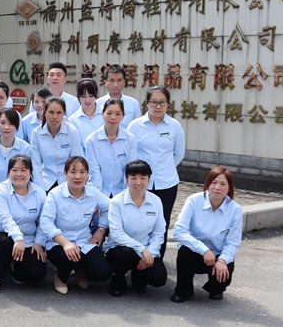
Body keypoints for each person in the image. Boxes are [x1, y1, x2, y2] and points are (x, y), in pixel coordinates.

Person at [40, 156, 111, 295]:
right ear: (65, 174)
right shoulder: (55, 194)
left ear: (87, 174)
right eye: (73, 172)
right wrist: (66, 243)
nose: (78, 176)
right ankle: (61, 278)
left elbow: (111, 208)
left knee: (103, 273)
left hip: (84, 241)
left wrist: (101, 230)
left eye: (82, 172)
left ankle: (81, 269)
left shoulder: (93, 193)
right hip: (59, 243)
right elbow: (45, 222)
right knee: (69, 255)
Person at [127, 85, 185, 256]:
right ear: (147, 103)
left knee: (162, 223)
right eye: (154, 102)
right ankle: (135, 257)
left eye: (162, 102)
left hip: (167, 184)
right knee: (137, 222)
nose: (158, 106)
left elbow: (179, 154)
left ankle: (156, 259)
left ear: (168, 104)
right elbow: (130, 154)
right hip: (140, 184)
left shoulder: (174, 126)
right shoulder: (135, 126)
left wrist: (164, 169)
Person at [171, 167, 242, 303]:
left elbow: (233, 242)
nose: (217, 187)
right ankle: (183, 290)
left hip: (217, 256)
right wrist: (204, 250)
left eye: (223, 184)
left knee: (222, 279)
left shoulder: (235, 209)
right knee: (185, 253)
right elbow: (179, 231)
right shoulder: (193, 200)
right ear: (208, 183)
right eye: (214, 182)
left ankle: (215, 288)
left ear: (229, 188)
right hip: (194, 251)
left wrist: (222, 261)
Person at [0, 154, 47, 295]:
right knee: (7, 243)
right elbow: (6, 220)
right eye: (14, 170)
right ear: (8, 172)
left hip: (28, 239)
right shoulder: (0, 191)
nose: (19, 174)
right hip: (1, 235)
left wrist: (39, 242)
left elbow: (44, 221)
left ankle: (14, 268)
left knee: (37, 273)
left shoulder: (40, 193)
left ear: (31, 173)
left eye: (23, 170)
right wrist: (18, 238)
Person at [104, 160, 167, 297]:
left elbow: (158, 232)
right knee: (122, 255)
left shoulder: (156, 201)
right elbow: (116, 233)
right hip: (121, 248)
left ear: (149, 179)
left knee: (159, 278)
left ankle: (139, 276)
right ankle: (118, 278)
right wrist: (142, 249)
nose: (138, 182)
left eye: (143, 178)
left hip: (146, 250)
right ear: (126, 179)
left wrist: (150, 253)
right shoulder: (116, 202)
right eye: (133, 178)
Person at [84, 99, 138, 197]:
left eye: (118, 114)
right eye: (109, 113)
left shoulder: (130, 139)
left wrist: (126, 195)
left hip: (123, 192)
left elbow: (131, 169)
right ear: (102, 114)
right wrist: (99, 197)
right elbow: (94, 171)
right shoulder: (91, 140)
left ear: (123, 116)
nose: (113, 118)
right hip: (100, 191)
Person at [30, 97, 83, 192]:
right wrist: (40, 189)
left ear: (64, 114)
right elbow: (36, 164)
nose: (55, 116)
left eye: (59, 113)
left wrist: (71, 186)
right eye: (51, 112)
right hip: (45, 182)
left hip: (67, 181)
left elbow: (76, 162)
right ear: (45, 113)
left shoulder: (72, 132)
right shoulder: (37, 133)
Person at [69, 77, 103, 146]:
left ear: (96, 95)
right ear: (78, 96)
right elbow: (76, 144)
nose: (87, 100)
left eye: (91, 96)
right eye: (83, 96)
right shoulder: (73, 120)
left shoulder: (106, 113)